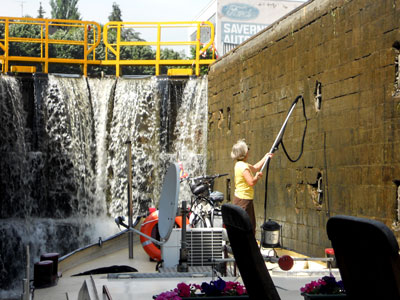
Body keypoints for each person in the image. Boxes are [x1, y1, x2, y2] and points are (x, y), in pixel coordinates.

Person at [230, 139, 273, 234]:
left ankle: (247, 246)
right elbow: (251, 182)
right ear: (244, 153)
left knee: (249, 225)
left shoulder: (239, 164)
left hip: (242, 198)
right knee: (246, 225)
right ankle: (245, 246)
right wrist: (257, 177)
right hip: (244, 199)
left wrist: (266, 157)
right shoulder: (243, 167)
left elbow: (255, 167)